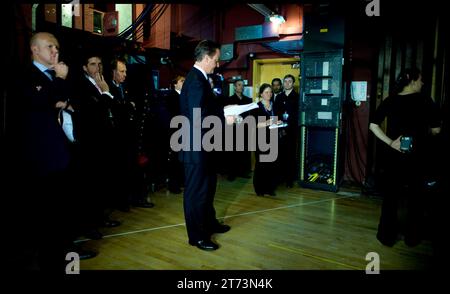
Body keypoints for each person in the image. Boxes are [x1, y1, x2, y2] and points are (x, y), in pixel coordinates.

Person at [6, 32, 96, 270]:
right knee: (45, 213)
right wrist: (58, 83)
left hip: (63, 152)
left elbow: (74, 102)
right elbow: (39, 102)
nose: (55, 51)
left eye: (57, 47)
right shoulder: (25, 76)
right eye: (49, 47)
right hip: (39, 158)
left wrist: (60, 98)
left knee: (62, 209)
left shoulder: (60, 75)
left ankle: (64, 251)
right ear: (35, 50)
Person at [369, 68, 441, 247]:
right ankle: (412, 238)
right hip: (418, 157)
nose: (422, 83)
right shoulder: (426, 100)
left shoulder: (391, 100)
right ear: (413, 80)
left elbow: (373, 125)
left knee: (390, 197)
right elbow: (436, 130)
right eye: (421, 79)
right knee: (416, 198)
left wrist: (391, 142)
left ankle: (386, 236)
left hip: (394, 156)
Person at [179, 40, 236, 251]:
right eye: (215, 59)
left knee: (209, 188)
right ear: (205, 58)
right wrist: (224, 120)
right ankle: (197, 237)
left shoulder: (201, 79)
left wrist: (223, 110)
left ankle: (210, 224)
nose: (217, 64)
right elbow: (196, 117)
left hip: (205, 146)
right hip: (195, 149)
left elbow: (207, 108)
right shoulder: (195, 80)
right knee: (196, 193)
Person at [72, 52, 121, 231]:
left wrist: (106, 92)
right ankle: (90, 224)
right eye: (93, 64)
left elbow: (113, 107)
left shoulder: (103, 83)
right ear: (85, 68)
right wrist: (106, 93)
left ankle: (100, 218)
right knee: (90, 185)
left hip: (105, 139)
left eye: (99, 64)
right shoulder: (82, 86)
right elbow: (92, 111)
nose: (97, 68)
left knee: (101, 182)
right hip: (90, 141)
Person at [108, 58, 154, 209]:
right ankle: (122, 201)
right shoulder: (109, 89)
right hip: (117, 137)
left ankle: (134, 198)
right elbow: (119, 110)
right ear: (113, 72)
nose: (125, 74)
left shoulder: (125, 88)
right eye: (122, 71)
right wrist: (127, 106)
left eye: (125, 71)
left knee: (133, 169)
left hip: (129, 136)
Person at [251, 84, 282, 196]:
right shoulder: (256, 107)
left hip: (273, 137)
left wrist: (279, 123)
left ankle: (270, 189)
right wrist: (270, 122)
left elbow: (278, 119)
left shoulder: (275, 105)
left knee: (272, 164)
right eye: (266, 92)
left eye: (270, 92)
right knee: (261, 165)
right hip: (260, 139)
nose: (269, 94)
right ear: (261, 94)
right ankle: (259, 189)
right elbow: (255, 124)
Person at [274, 74, 299, 188]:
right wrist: (279, 129)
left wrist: (289, 128)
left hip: (292, 131)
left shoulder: (297, 97)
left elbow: (298, 115)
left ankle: (290, 179)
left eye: (289, 81)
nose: (287, 83)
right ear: (283, 83)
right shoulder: (279, 97)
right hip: (280, 131)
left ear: (293, 83)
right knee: (280, 155)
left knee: (291, 155)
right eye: (285, 81)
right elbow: (276, 114)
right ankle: (280, 177)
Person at [225, 79, 253, 181]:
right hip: (232, 129)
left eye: (242, 85)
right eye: (239, 85)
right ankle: (232, 173)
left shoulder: (248, 100)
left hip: (244, 128)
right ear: (235, 87)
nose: (241, 87)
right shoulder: (229, 100)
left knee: (244, 151)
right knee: (232, 152)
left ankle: (242, 172)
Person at [166, 75, 185, 194]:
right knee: (174, 159)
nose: (184, 83)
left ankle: (180, 181)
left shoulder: (183, 96)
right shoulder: (172, 96)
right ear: (175, 83)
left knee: (181, 159)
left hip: (183, 130)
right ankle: (173, 185)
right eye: (182, 81)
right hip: (175, 131)